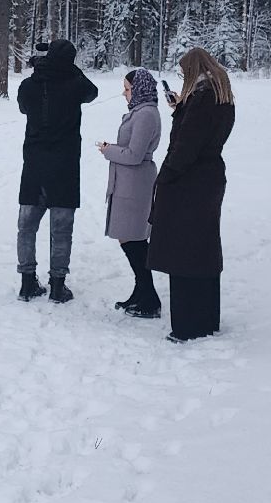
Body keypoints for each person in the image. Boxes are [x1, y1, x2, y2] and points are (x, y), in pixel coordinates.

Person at [149, 48, 236, 342]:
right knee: (203, 250)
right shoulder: (221, 95)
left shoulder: (202, 99)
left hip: (189, 183)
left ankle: (187, 325)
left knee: (182, 254)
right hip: (209, 178)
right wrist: (180, 108)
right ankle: (207, 319)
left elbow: (187, 144)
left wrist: (167, 175)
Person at [16, 39, 99, 303]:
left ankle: (27, 282)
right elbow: (92, 92)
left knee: (27, 226)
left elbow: (23, 106)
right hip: (64, 164)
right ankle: (57, 285)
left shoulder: (30, 84)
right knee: (61, 229)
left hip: (34, 163)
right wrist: (70, 70)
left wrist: (42, 69)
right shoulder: (75, 83)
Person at [98, 68, 163, 318]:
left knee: (132, 238)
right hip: (128, 182)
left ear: (139, 89)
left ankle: (149, 298)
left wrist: (109, 150)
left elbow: (135, 155)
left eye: (127, 88)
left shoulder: (146, 114)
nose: (124, 93)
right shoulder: (140, 111)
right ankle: (142, 292)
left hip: (135, 184)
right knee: (129, 238)